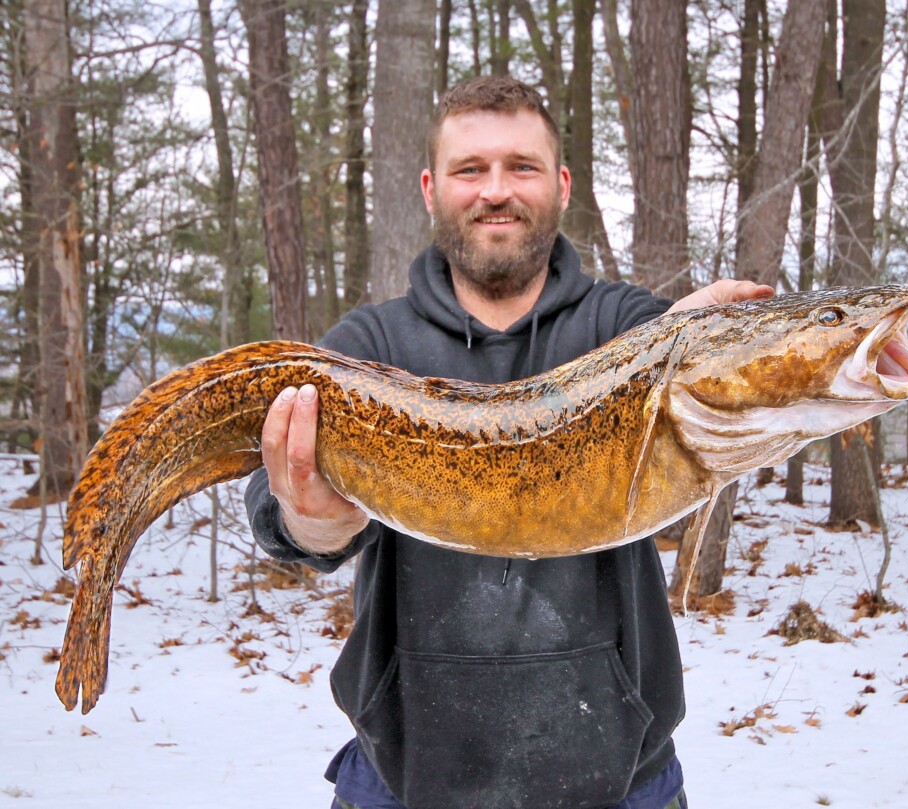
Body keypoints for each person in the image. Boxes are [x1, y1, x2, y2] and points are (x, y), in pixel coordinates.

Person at [245, 76, 773, 809]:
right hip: (403, 778)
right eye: (471, 170)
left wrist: (690, 344)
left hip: (623, 779)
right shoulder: (367, 349)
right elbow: (271, 505)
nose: (496, 190)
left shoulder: (621, 326)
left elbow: (685, 379)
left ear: (560, 185)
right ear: (431, 189)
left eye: (521, 166)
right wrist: (308, 520)